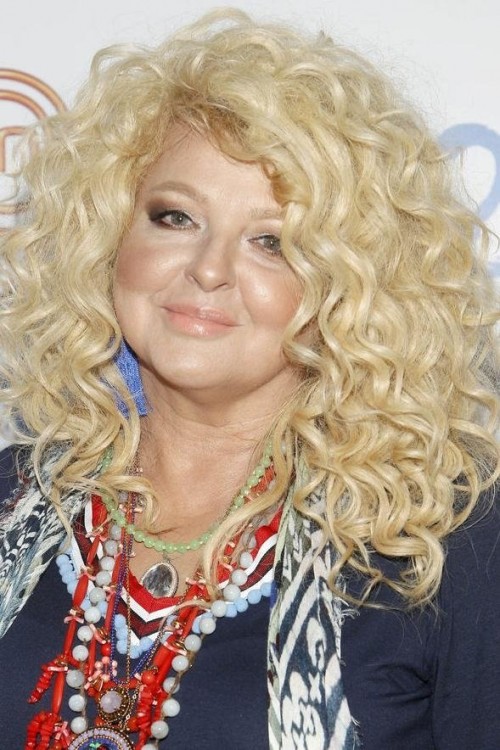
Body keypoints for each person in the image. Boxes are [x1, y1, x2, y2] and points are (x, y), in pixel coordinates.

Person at [0, 8, 499, 749]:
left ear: (347, 286)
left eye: (273, 241)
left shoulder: (436, 540)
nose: (209, 269)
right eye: (175, 217)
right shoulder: (18, 495)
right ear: (108, 235)